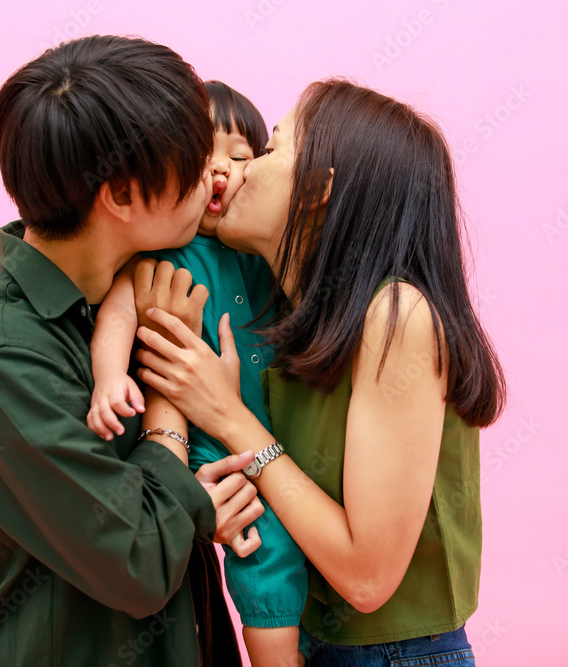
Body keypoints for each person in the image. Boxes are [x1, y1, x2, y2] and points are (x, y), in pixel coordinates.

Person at [131, 79, 507, 666]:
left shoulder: (396, 315)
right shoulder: (286, 315)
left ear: (318, 187)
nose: (245, 169)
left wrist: (228, 416)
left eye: (271, 149)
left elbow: (366, 578)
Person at [0, 36, 265, 667]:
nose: (212, 176)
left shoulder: (139, 282)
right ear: (120, 196)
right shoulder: (4, 355)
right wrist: (173, 394)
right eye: (194, 158)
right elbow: (136, 558)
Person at [87, 81, 309, 667]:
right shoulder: (167, 248)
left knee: (305, 544)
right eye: (201, 158)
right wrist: (111, 377)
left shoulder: (261, 248)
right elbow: (118, 311)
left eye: (239, 159)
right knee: (265, 554)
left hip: (280, 441)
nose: (219, 171)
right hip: (216, 453)